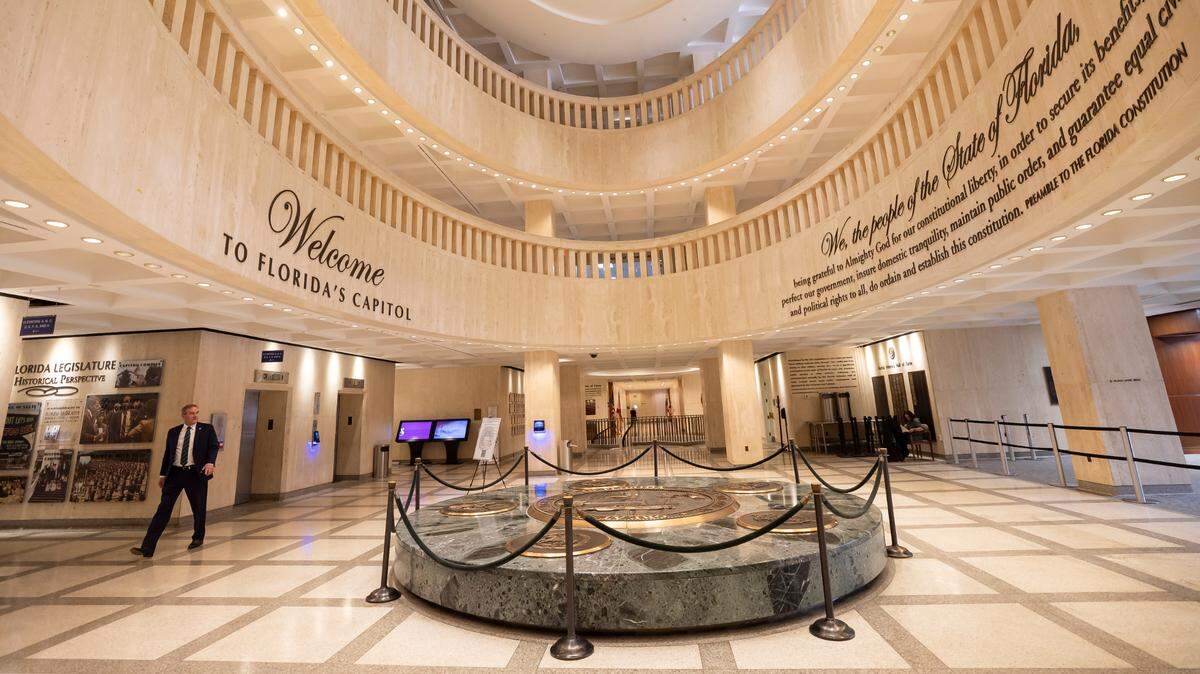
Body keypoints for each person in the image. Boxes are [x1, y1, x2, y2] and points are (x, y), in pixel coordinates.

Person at [131, 403, 218, 557]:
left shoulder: (206, 429)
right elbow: (168, 454)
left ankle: (198, 537)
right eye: (191, 413)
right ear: (184, 415)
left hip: (195, 474)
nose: (195, 416)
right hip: (175, 474)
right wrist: (163, 474)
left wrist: (210, 462)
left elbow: (213, 447)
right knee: (163, 509)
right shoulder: (174, 432)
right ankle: (148, 547)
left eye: (196, 413)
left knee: (198, 508)